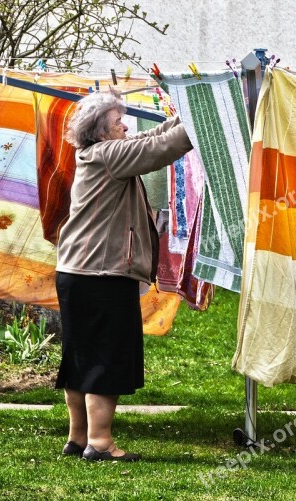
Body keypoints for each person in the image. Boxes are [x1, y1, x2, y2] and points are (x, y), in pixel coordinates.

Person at [56, 90, 193, 461]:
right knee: (105, 356)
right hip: (101, 274)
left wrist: (186, 114)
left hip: (76, 272)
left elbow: (149, 139)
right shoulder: (109, 155)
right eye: (119, 121)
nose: (126, 125)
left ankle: (78, 438)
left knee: (80, 357)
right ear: (102, 130)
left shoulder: (98, 154)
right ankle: (101, 444)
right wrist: (201, 125)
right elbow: (160, 149)